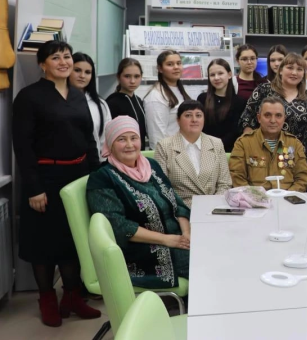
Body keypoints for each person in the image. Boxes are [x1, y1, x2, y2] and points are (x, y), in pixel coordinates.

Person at [12, 41, 102, 327]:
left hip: (77, 177)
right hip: (45, 179)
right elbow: (23, 147)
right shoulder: (29, 97)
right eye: (55, 57)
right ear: (42, 64)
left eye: (66, 56)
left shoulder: (77, 96)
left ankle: (72, 298)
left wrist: (97, 179)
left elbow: (89, 140)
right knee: (44, 243)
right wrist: (34, 188)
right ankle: (47, 298)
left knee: (74, 239)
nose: (63, 61)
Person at [86, 116, 190, 290]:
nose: (129, 145)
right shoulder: (102, 178)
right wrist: (167, 240)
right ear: (110, 144)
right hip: (143, 251)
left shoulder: (151, 166)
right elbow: (119, 226)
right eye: (121, 139)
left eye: (133, 138)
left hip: (176, 239)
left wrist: (186, 234)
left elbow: (178, 204)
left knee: (215, 250)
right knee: (203, 263)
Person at [154, 100, 232, 207]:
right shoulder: (164, 146)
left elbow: (225, 184)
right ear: (178, 120)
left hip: (213, 207)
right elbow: (162, 187)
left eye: (199, 115)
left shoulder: (216, 143)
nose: (194, 120)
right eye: (188, 115)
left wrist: (213, 205)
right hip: (181, 210)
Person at [241, 53, 307, 156]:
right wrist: (249, 145)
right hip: (265, 153)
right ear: (281, 70)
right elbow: (247, 119)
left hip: (298, 156)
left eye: (299, 69)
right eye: (290, 68)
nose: (294, 73)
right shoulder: (264, 90)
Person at [229, 97, 307, 191]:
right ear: (259, 118)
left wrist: (288, 197)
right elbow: (237, 177)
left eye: (278, 116)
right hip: (254, 202)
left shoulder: (294, 144)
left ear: (284, 119)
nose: (273, 120)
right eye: (267, 115)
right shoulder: (243, 143)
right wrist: (257, 198)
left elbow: (303, 177)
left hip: (287, 200)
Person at [144, 50, 191, 149]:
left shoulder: (180, 90)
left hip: (184, 151)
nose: (176, 67)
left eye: (178, 63)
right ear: (160, 69)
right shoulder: (156, 97)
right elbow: (157, 139)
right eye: (170, 64)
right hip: (169, 155)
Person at [197, 59, 246, 152]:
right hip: (205, 150)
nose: (216, 78)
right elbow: (200, 126)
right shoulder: (202, 99)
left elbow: (235, 130)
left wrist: (218, 146)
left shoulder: (239, 102)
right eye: (212, 75)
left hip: (229, 152)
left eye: (220, 73)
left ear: (229, 74)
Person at [70, 52, 111, 159]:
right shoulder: (59, 102)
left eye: (88, 72)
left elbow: (106, 140)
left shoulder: (100, 105)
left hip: (95, 164)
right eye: (77, 70)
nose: (82, 76)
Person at [107, 58, 148, 151]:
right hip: (121, 154)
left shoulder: (138, 101)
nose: (132, 81)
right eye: (127, 76)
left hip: (139, 154)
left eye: (137, 76)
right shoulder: (112, 103)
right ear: (118, 77)